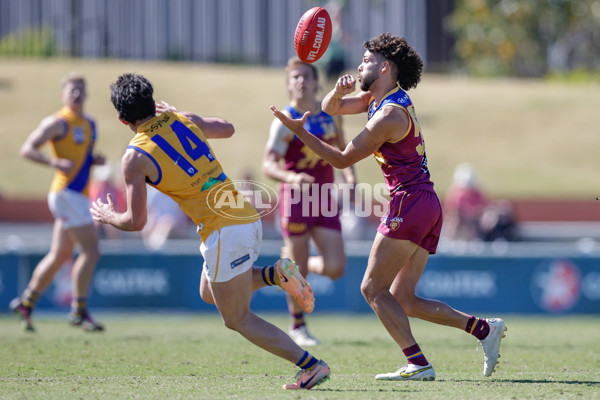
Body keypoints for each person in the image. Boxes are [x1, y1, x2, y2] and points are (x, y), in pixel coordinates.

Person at [271, 33, 507, 381]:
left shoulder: (388, 115)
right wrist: (337, 92)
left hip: (409, 203)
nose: (360, 64)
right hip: (424, 203)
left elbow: (340, 159)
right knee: (404, 298)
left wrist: (298, 131)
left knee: (371, 288)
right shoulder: (379, 99)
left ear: (384, 66)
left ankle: (417, 362)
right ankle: (483, 329)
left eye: (366, 60)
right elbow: (330, 109)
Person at [91, 73, 330, 390]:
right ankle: (275, 274)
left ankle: (311, 366)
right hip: (243, 216)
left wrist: (109, 216)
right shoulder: (181, 118)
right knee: (208, 292)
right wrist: (179, 115)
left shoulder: (134, 158)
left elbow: (136, 222)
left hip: (224, 231)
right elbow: (228, 128)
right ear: (152, 101)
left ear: (123, 120)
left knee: (236, 318)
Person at [263, 57, 356, 346]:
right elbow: (268, 165)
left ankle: (297, 264)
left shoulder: (332, 114)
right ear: (289, 85)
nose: (301, 81)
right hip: (296, 199)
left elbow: (344, 150)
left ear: (317, 82)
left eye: (306, 76)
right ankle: (297, 326)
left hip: (325, 198)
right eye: (295, 77)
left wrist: (350, 178)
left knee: (335, 267)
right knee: (297, 270)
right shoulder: (284, 121)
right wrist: (292, 179)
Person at [11, 72, 105, 332]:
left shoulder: (90, 124)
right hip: (66, 193)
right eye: (71, 90)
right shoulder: (57, 122)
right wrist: (53, 162)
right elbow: (27, 149)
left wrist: (93, 161)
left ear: (86, 94)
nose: (76, 94)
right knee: (92, 251)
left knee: (60, 254)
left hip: (76, 195)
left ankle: (26, 303)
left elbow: (81, 157)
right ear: (63, 95)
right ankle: (79, 310)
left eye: (80, 90)